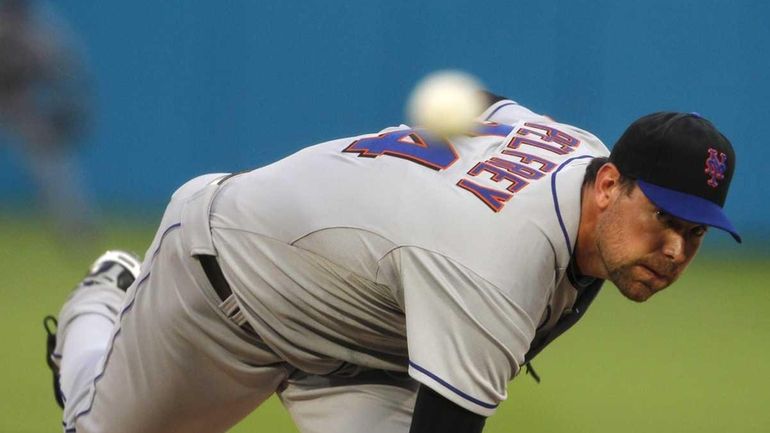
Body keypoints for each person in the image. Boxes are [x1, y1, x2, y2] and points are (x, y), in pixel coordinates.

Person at [43, 92, 739, 433]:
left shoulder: (581, 154)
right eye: (664, 220)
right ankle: (104, 301)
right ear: (611, 185)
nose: (676, 248)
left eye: (696, 232)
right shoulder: (493, 264)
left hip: (373, 342)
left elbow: (482, 101)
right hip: (226, 284)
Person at [0, 0, 96, 237]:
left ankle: (75, 226)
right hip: (14, 100)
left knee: (51, 162)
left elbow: (63, 70)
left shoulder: (36, 34)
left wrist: (67, 102)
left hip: (18, 100)